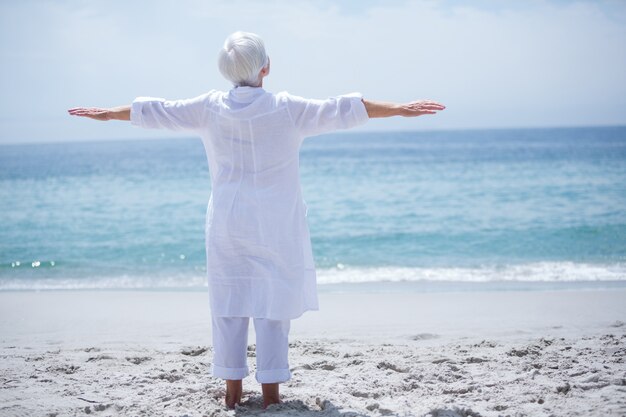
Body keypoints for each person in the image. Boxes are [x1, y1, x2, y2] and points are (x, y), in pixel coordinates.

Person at [68, 31, 445, 409]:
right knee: (273, 307)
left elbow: (155, 111)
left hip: (227, 223)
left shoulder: (209, 107)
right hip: (275, 224)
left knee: (229, 303)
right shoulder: (286, 107)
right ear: (266, 67)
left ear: (227, 71)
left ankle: (232, 394)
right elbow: (344, 108)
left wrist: (106, 114)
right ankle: (270, 397)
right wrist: (399, 107)